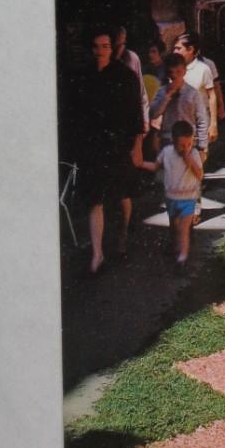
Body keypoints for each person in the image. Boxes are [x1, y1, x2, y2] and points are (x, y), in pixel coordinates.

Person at [77, 28, 145, 274]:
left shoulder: (125, 76)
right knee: (95, 198)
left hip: (118, 144)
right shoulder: (84, 76)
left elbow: (136, 114)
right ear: (92, 48)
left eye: (105, 46)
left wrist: (136, 146)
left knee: (121, 195)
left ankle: (123, 234)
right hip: (94, 146)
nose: (101, 51)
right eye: (97, 46)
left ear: (112, 48)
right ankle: (97, 254)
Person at [139, 119, 203, 269]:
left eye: (188, 144)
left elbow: (200, 175)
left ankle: (182, 257)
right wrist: (141, 164)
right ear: (173, 141)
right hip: (171, 198)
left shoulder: (193, 154)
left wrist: (190, 162)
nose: (185, 148)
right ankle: (176, 248)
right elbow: (156, 166)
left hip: (188, 198)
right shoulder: (167, 152)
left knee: (184, 228)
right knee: (174, 227)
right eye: (181, 145)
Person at [148, 52, 210, 154]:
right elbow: (153, 114)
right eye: (171, 72)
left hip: (189, 142)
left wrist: (202, 146)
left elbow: (202, 119)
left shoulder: (193, 93)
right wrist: (167, 97)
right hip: (168, 140)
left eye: (178, 72)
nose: (175, 75)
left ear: (184, 71)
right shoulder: (162, 91)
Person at [174, 33, 217, 143]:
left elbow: (212, 96)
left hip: (199, 125)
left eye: (178, 48)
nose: (175, 52)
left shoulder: (203, 69)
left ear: (190, 49)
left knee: (199, 157)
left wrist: (213, 124)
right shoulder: (173, 70)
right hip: (179, 125)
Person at [114, 25, 150, 135]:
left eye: (122, 44)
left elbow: (141, 93)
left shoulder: (132, 58)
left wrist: (145, 120)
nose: (120, 49)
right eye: (117, 45)